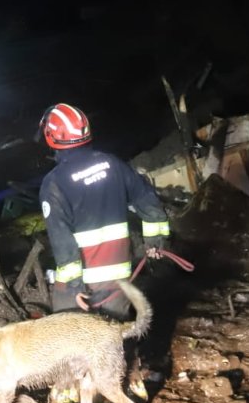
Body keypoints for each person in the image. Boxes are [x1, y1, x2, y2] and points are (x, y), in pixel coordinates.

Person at [37, 103, 171, 319]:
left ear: (51, 136)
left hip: (86, 281)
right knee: (116, 336)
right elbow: (147, 199)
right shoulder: (112, 163)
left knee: (67, 339)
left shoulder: (54, 183)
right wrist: (155, 241)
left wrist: (74, 286)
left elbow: (62, 240)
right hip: (120, 276)